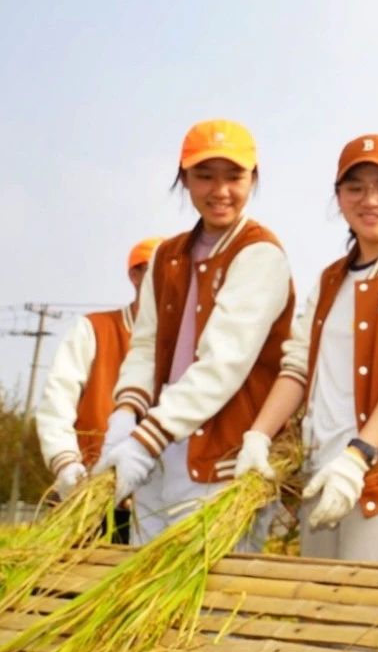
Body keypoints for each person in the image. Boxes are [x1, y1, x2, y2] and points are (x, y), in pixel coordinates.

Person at [235, 134, 378, 563]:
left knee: (376, 621)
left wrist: (358, 457)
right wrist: (258, 435)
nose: (370, 199)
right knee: (320, 619)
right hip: (325, 478)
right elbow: (297, 368)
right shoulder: (330, 280)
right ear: (338, 198)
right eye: (355, 187)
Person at [95, 119, 295, 549]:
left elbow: (224, 363)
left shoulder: (260, 255)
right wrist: (125, 414)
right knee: (142, 586)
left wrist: (146, 437)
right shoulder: (168, 255)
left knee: (209, 597)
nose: (220, 191)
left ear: (253, 178)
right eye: (205, 176)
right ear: (184, 179)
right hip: (157, 451)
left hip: (218, 456)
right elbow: (146, 345)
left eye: (234, 177)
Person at [35, 237, 163, 541]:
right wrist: (66, 462)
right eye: (155, 274)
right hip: (88, 493)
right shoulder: (93, 329)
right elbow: (57, 400)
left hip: (155, 510)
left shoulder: (185, 345)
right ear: (135, 275)